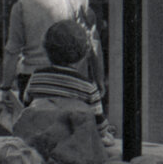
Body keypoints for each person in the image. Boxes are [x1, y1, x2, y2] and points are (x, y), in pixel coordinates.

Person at [0, 0, 87, 115]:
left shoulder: (21, 7)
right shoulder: (66, 2)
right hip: (62, 74)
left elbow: (12, 50)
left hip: (32, 76)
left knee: (34, 130)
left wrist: (6, 86)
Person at [21, 20, 113, 148]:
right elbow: (99, 125)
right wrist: (106, 133)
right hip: (74, 148)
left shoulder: (36, 78)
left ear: (46, 48)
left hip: (40, 144)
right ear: (83, 53)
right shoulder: (87, 87)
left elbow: (27, 108)